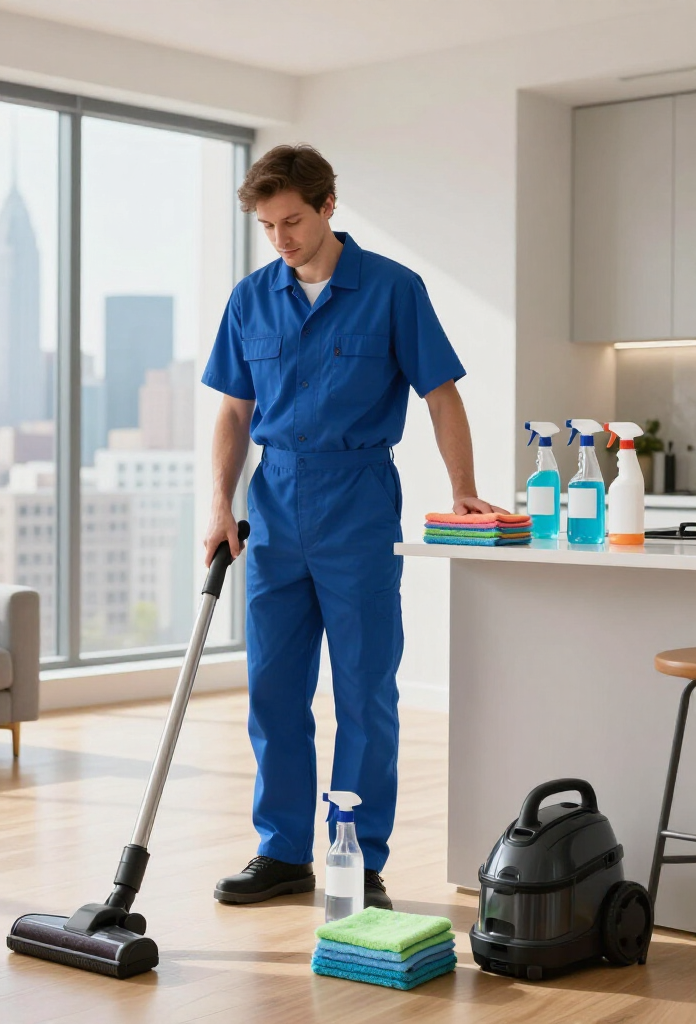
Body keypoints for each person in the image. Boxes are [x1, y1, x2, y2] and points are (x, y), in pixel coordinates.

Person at [202, 144, 506, 909]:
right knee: (273, 689)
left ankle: (357, 860)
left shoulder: (394, 290)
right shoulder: (250, 299)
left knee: (365, 689)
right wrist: (217, 505)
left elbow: (441, 395)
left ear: (328, 205)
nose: (282, 238)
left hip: (358, 500)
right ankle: (281, 853)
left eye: (293, 220)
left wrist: (463, 488)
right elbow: (235, 413)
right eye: (268, 226)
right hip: (272, 505)